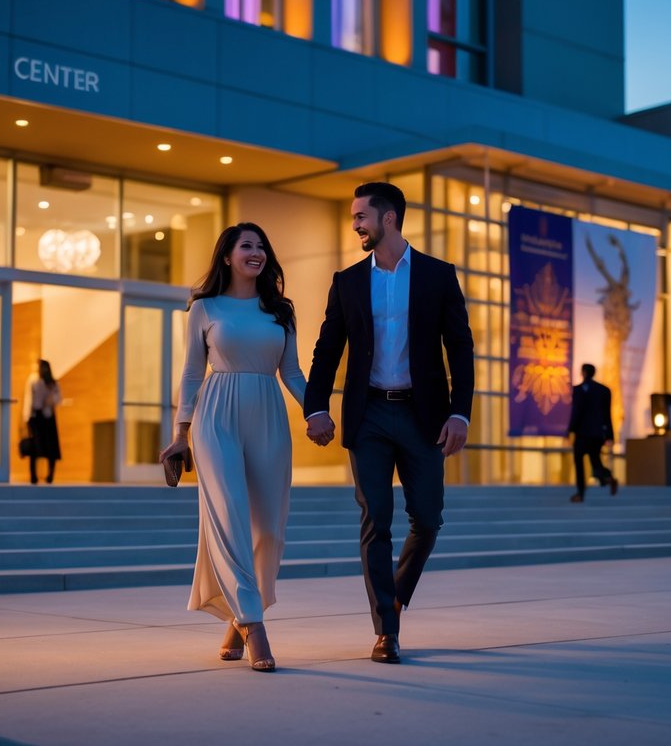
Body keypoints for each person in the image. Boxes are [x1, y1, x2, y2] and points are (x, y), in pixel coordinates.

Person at [304, 181, 474, 665]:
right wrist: (316, 407)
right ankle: (386, 629)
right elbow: (327, 349)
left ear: (389, 218)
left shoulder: (438, 276)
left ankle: (395, 596)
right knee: (375, 518)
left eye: (361, 216)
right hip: (370, 415)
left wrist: (459, 411)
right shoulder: (348, 281)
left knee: (428, 519)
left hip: (424, 416)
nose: (355, 225)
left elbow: (460, 347)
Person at [159, 222, 306, 673]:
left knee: (269, 529)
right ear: (227, 256)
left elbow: (292, 372)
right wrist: (180, 433)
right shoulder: (204, 308)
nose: (256, 252)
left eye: (262, 246)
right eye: (246, 246)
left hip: (268, 414)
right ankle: (254, 624)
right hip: (215, 417)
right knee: (228, 517)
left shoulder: (280, 311)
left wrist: (316, 411)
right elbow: (191, 373)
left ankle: (237, 618)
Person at [566, 363, 617, 502]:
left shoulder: (578, 390)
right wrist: (609, 435)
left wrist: (569, 430)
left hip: (583, 434)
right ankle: (607, 478)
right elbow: (607, 415)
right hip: (596, 433)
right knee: (595, 461)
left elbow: (575, 413)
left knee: (580, 462)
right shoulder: (603, 390)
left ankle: (581, 492)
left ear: (583, 372)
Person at [22, 360, 62, 484]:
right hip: (36, 417)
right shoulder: (34, 380)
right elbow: (29, 399)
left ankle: (50, 475)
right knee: (35, 447)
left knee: (51, 447)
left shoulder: (53, 383)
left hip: (48, 417)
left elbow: (59, 398)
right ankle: (33, 476)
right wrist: (27, 417)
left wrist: (51, 400)